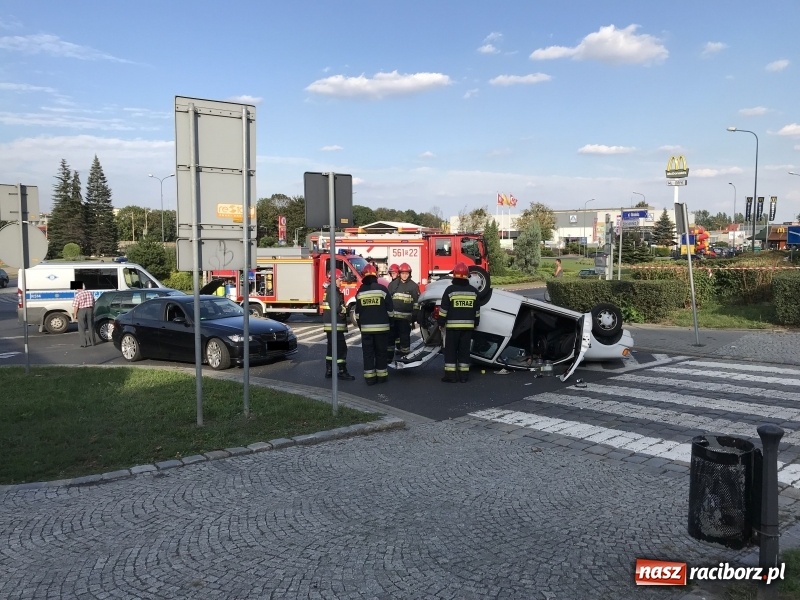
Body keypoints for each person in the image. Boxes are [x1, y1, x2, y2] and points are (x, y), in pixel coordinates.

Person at [437, 262, 480, 383]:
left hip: (452, 328)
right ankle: (464, 377)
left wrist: (440, 322)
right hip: (468, 328)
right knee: (464, 352)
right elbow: (477, 310)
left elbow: (444, 309)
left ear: (454, 275)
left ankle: (451, 376)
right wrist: (476, 322)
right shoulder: (473, 291)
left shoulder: (450, 290)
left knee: (450, 352)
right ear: (467, 276)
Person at [354, 263, 393, 385]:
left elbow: (357, 314)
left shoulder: (360, 291)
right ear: (375, 276)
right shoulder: (383, 289)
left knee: (368, 353)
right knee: (381, 352)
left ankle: (370, 378)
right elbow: (390, 310)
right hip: (382, 329)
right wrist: (390, 323)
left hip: (366, 330)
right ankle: (382, 377)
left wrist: (361, 327)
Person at [321, 270, 355, 380]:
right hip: (335, 325)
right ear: (334, 279)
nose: (341, 282)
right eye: (340, 280)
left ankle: (329, 370)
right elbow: (336, 308)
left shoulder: (330, 290)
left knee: (331, 349)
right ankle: (342, 371)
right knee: (341, 349)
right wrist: (346, 309)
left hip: (331, 325)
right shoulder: (333, 291)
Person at [386, 262, 420, 361]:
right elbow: (387, 301)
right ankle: (388, 358)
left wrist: (414, 316)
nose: (405, 275)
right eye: (403, 273)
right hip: (393, 318)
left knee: (404, 338)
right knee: (391, 338)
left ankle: (404, 357)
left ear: (409, 274)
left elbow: (416, 302)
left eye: (407, 273)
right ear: (399, 273)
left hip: (406, 319)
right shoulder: (393, 285)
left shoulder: (413, 286)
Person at [72, 282, 96, 348]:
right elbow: (93, 302)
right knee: (91, 326)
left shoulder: (78, 295)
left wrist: (75, 315)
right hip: (90, 309)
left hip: (81, 310)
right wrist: (92, 310)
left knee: (82, 327)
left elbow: (76, 306)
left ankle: (84, 344)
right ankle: (93, 342)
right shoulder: (90, 293)